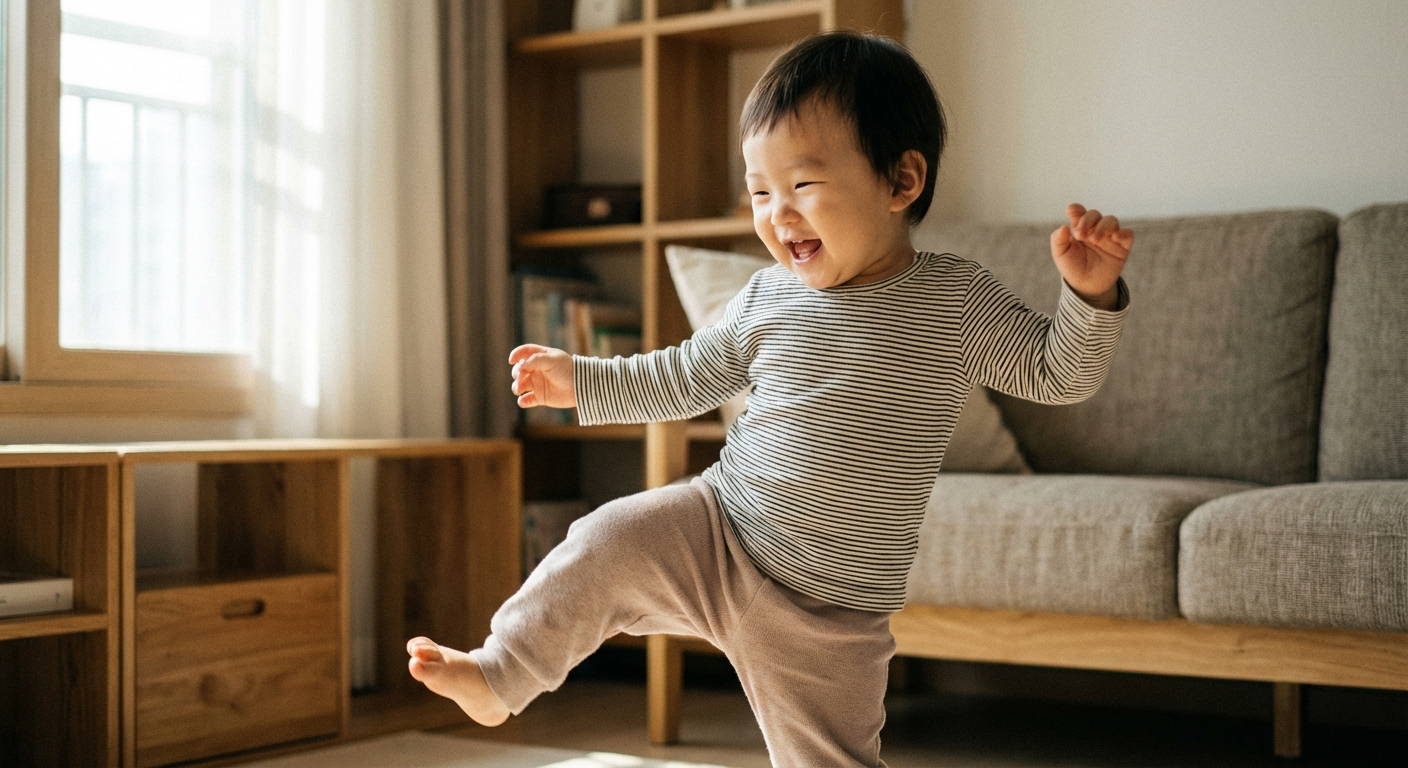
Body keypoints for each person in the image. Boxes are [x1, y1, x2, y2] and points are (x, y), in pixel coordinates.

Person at [407, 30, 1132, 767]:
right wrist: (581, 381)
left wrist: (1088, 295)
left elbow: (1056, 373)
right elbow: (683, 377)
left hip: (831, 607)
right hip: (719, 529)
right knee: (602, 541)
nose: (777, 214)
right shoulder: (766, 299)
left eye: (803, 185)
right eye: (760, 192)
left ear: (900, 181)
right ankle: (500, 676)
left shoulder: (953, 299)